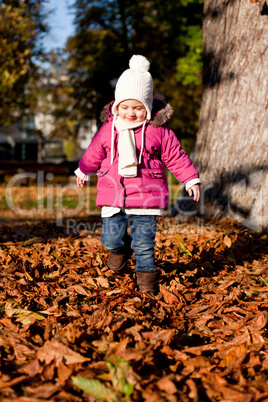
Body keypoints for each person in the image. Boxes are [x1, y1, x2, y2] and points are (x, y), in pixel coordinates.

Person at [75, 55, 201, 294]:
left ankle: (147, 283)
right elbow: (94, 152)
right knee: (110, 239)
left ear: (148, 108)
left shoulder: (159, 132)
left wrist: (190, 178)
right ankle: (119, 250)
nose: (130, 113)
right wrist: (84, 170)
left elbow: (175, 156)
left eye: (138, 108)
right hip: (114, 195)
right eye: (125, 107)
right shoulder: (108, 129)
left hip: (147, 196)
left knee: (144, 243)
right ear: (116, 106)